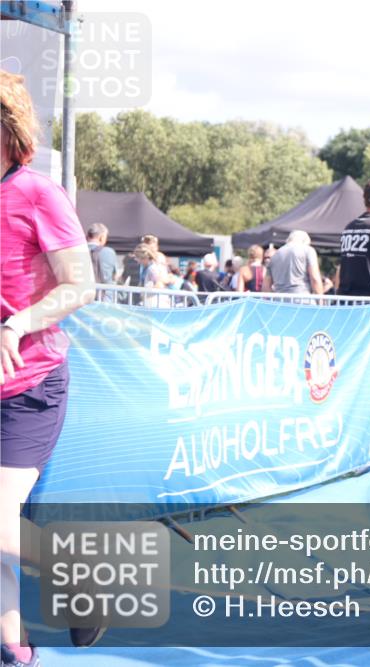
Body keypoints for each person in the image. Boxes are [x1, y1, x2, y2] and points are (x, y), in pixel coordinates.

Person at [2, 69, 100, 665]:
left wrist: (18, 322)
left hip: (29, 384)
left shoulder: (36, 192)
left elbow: (81, 284)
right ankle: (14, 648)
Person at [263, 230, 324, 296]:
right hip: (302, 299)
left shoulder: (275, 255)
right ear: (305, 241)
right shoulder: (308, 250)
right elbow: (315, 279)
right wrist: (320, 301)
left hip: (279, 301)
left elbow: (266, 286)